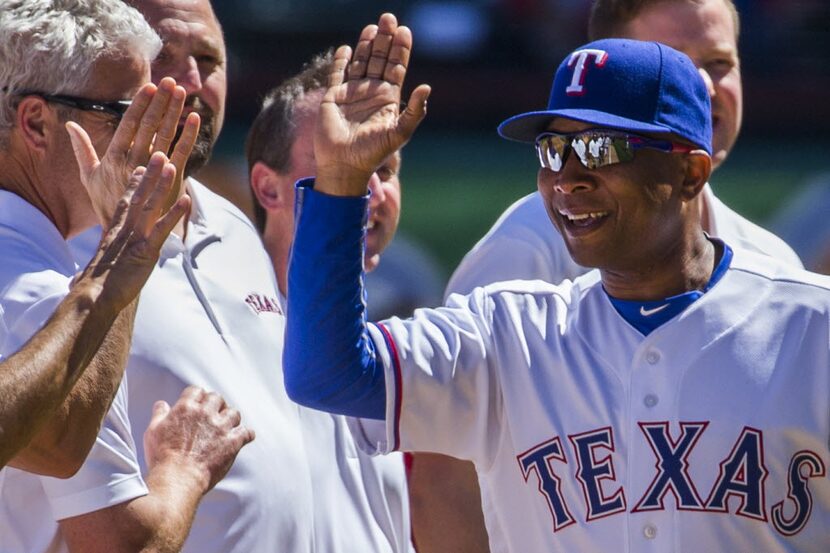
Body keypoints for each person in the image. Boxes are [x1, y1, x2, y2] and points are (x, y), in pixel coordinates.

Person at [283, 13, 830, 553]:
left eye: (598, 148)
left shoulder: (812, 328)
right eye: (553, 150)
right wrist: (341, 181)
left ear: (688, 172)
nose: (568, 177)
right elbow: (324, 376)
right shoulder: (508, 332)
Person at [0, 2, 253, 552]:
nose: (159, 132)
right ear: (37, 123)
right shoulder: (33, 289)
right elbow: (121, 544)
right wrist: (184, 470)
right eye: (127, 112)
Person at [68, 0, 321, 550]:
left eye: (208, 59)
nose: (189, 80)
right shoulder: (61, 240)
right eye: (161, 54)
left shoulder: (232, 225)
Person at [245, 51, 414, 553]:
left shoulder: (394, 346)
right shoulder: (222, 330)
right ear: (267, 188)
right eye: (338, 158)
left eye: (385, 166)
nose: (373, 190)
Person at [0, 153, 185, 471]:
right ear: (35, 122)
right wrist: (185, 475)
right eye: (116, 115)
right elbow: (61, 443)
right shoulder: (30, 277)